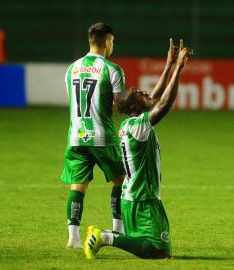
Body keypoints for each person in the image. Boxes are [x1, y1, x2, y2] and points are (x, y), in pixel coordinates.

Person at [83, 39, 193, 259]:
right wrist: (179, 69)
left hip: (136, 197)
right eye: (139, 93)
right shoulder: (138, 127)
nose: (145, 92)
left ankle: (108, 236)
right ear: (134, 107)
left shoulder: (130, 125)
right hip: (142, 200)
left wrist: (169, 64)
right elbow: (164, 104)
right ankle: (104, 236)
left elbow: (153, 99)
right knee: (157, 251)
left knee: (161, 249)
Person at [61, 22, 126, 249]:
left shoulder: (72, 69)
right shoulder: (113, 69)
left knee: (78, 186)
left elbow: (74, 102)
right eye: (112, 42)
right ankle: (118, 229)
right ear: (108, 42)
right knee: (122, 179)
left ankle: (73, 237)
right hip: (103, 136)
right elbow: (119, 105)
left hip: (77, 137)